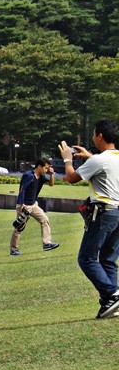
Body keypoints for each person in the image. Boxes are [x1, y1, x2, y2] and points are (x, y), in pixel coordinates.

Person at [59, 120, 119, 319]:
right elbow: (105, 167)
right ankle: (110, 304)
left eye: (94, 134)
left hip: (103, 214)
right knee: (109, 260)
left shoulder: (98, 160)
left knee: (86, 258)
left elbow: (71, 178)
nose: (93, 137)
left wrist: (67, 159)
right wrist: (90, 156)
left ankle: (113, 294)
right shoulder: (112, 158)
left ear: (100, 136)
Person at [10, 158, 59, 256]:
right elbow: (22, 190)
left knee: (44, 219)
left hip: (33, 205)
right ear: (39, 166)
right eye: (46, 168)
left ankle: (47, 243)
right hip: (24, 205)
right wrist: (22, 204)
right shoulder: (29, 175)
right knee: (19, 227)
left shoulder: (41, 176)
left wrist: (51, 174)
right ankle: (13, 249)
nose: (46, 170)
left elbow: (51, 184)